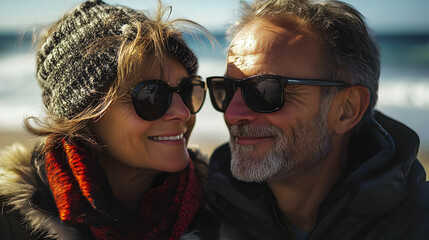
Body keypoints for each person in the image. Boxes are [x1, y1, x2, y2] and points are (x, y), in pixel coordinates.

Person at [205, 0, 429, 239]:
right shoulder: (207, 213)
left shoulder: (418, 224)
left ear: (347, 109)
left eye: (265, 91)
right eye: (227, 89)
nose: (232, 113)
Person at [0, 0, 218, 239]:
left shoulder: (225, 205)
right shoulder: (10, 221)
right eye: (151, 96)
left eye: (187, 90)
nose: (183, 112)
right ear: (82, 115)